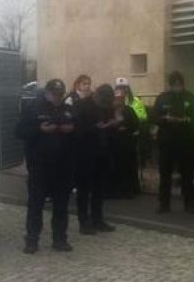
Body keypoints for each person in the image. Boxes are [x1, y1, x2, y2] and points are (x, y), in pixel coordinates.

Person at [17, 78, 76, 254]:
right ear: (47, 93)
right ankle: (32, 240)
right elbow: (19, 132)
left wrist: (72, 130)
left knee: (61, 204)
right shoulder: (33, 109)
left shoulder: (68, 111)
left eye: (60, 94)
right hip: (39, 165)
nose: (57, 97)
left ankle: (60, 239)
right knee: (36, 204)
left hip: (63, 166)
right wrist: (39, 130)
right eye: (54, 94)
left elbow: (79, 132)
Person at [73, 83, 119, 235]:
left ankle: (98, 219)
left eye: (106, 103)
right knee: (84, 190)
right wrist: (95, 128)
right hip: (85, 154)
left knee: (99, 190)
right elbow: (76, 129)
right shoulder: (81, 105)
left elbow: (111, 123)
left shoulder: (106, 107)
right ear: (96, 95)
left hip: (103, 153)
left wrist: (113, 124)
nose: (104, 105)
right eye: (102, 102)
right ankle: (84, 222)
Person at [153, 71, 194, 214]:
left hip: (186, 141)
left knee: (187, 174)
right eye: (174, 85)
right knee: (165, 174)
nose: (177, 87)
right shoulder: (162, 98)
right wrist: (165, 119)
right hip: (167, 142)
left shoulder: (190, 97)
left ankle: (189, 204)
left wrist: (188, 120)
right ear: (170, 85)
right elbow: (153, 117)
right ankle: (164, 204)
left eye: (179, 84)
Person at [110, 79, 142, 198]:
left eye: (121, 99)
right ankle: (117, 189)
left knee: (128, 167)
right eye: (117, 99)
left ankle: (130, 189)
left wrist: (127, 129)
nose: (119, 101)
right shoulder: (109, 111)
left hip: (127, 143)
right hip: (114, 144)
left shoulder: (129, 110)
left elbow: (136, 124)